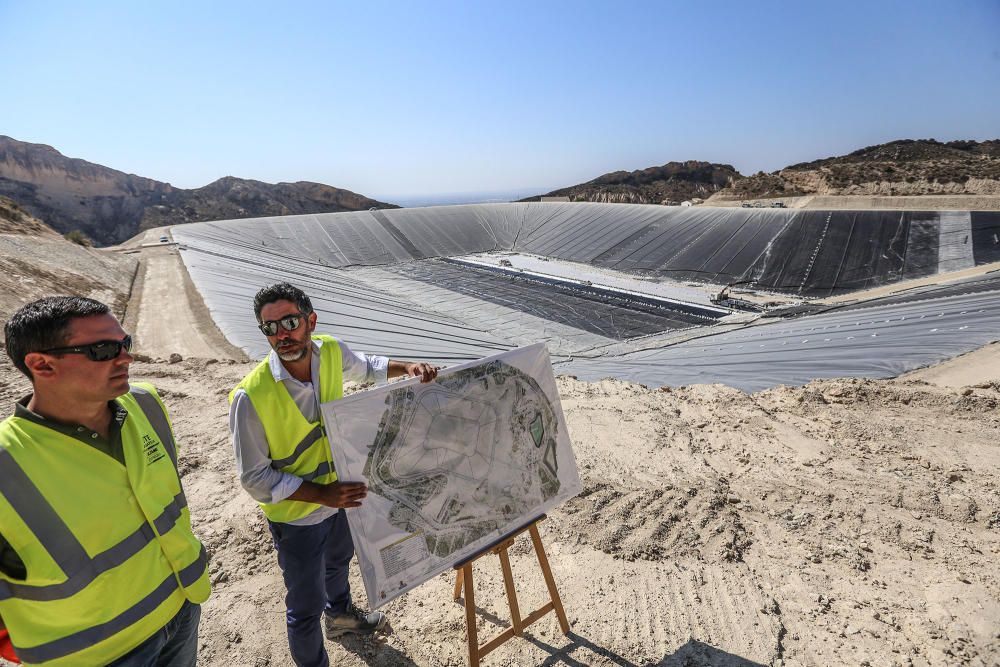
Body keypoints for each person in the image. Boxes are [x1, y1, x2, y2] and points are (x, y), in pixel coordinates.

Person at [228, 282, 437, 667]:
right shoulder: (250, 398)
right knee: (304, 608)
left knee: (339, 561)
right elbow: (255, 479)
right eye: (269, 328)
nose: (281, 335)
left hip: (341, 497)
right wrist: (322, 496)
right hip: (298, 517)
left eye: (289, 322)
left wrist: (405, 367)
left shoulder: (330, 351)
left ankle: (340, 617)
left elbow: (368, 366)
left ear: (310, 320)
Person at [0, 296, 210, 666]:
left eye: (124, 344)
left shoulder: (146, 404)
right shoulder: (6, 464)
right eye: (103, 349)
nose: (125, 357)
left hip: (180, 612)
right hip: (96, 656)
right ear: (42, 364)